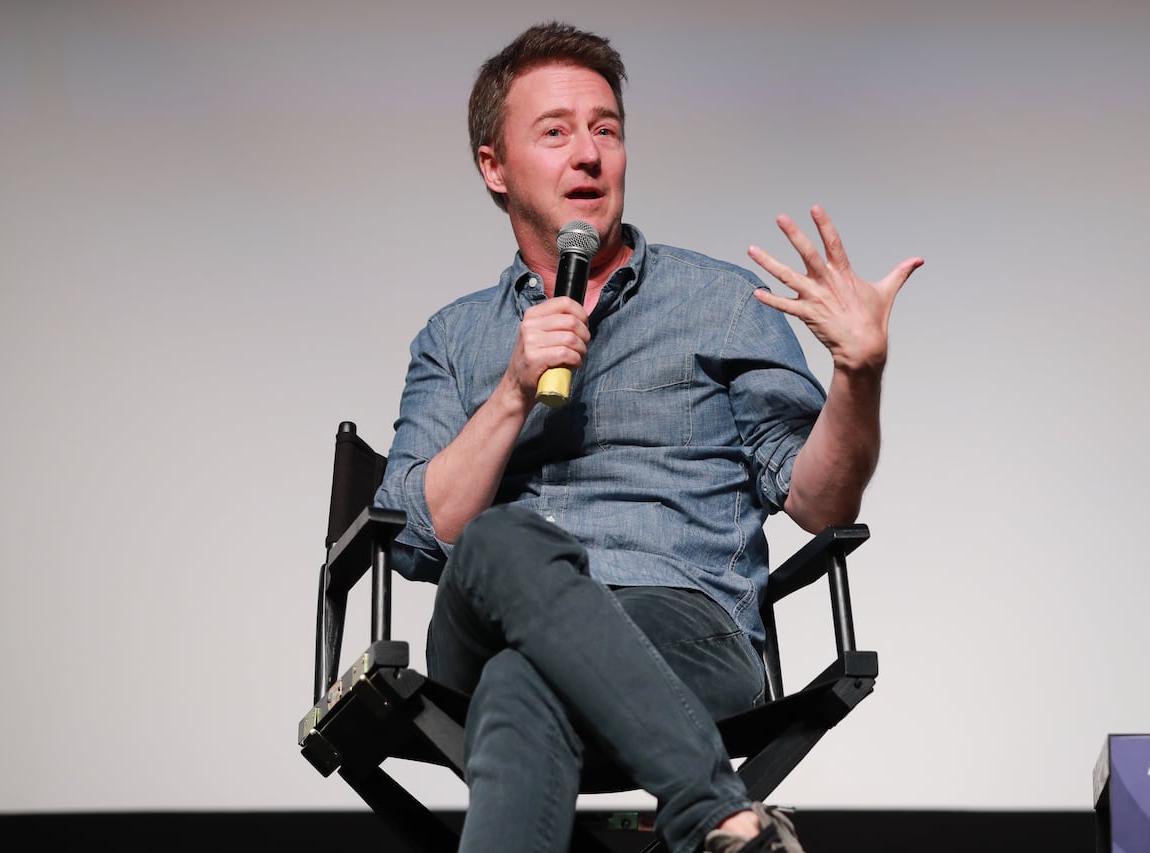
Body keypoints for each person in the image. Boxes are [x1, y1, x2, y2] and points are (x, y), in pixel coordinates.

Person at [375, 21, 922, 853]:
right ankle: (720, 815)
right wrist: (512, 392)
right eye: (555, 132)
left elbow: (821, 502)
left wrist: (859, 374)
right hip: (480, 629)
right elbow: (419, 537)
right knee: (498, 537)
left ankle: (717, 816)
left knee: (522, 684)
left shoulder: (722, 302)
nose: (588, 155)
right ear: (495, 166)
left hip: (682, 627)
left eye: (606, 129)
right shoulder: (453, 339)